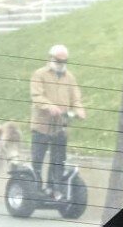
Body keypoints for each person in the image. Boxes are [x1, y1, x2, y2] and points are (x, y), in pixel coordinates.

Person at [30, 45, 86, 198]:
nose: (61, 64)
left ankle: (54, 190)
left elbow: (75, 98)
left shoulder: (70, 77)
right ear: (51, 58)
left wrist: (79, 110)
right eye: (58, 60)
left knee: (58, 160)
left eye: (64, 61)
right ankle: (35, 190)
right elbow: (36, 96)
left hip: (60, 126)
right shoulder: (39, 74)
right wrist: (49, 106)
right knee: (38, 159)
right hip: (42, 125)